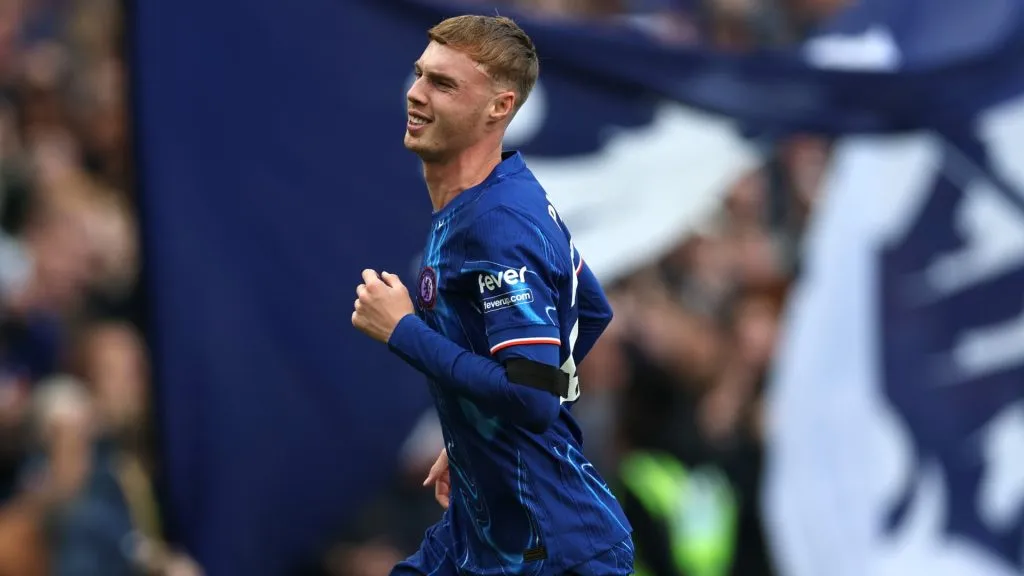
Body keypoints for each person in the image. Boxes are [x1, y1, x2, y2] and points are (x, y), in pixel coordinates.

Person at [351, 14, 634, 576]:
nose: (416, 94)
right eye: (420, 75)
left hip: (549, 550)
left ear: (499, 107)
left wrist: (404, 331)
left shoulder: (499, 224)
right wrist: (476, 428)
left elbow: (531, 399)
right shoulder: (487, 200)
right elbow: (591, 308)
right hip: (486, 532)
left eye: (444, 84)